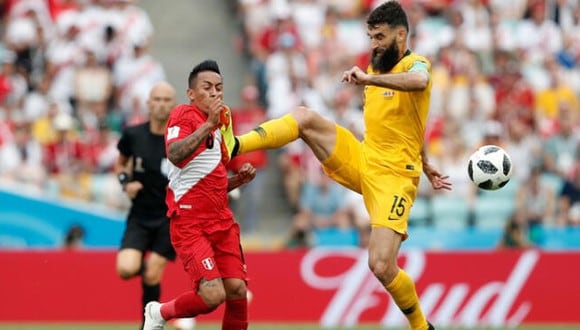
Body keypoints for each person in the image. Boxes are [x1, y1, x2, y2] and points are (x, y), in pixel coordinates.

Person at [233, 2, 451, 329]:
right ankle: (232, 144)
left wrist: (370, 81)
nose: (373, 43)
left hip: (395, 179)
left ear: (401, 34)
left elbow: (419, 82)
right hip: (365, 158)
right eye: (370, 36)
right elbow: (407, 124)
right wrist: (428, 160)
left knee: (380, 265)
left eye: (379, 36)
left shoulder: (416, 63)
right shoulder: (376, 70)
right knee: (305, 117)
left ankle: (421, 326)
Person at [143, 60, 256, 330]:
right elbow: (175, 155)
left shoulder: (220, 128)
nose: (215, 93)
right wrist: (207, 125)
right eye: (207, 88)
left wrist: (238, 180)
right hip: (190, 223)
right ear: (191, 93)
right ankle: (159, 312)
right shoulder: (184, 115)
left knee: (238, 290)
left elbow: (210, 184)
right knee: (212, 296)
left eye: (219, 88)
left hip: (222, 222)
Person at [115, 81, 193, 330]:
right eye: (156, 99)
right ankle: (159, 316)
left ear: (174, 105)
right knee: (126, 269)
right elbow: (120, 164)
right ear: (149, 104)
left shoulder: (181, 142)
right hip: (139, 214)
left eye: (166, 100)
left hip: (169, 218)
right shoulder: (133, 134)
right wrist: (125, 183)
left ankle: (149, 325)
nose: (161, 104)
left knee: (151, 273)